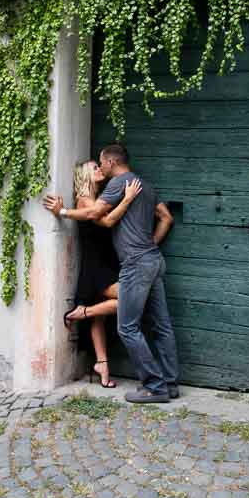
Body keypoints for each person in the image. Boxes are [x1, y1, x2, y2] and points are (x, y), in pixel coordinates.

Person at [44, 143, 179, 404]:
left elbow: (96, 213)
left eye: (102, 163)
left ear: (111, 163)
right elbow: (167, 218)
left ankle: (155, 386)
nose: (101, 167)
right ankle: (170, 384)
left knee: (127, 327)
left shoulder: (118, 183)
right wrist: (150, 243)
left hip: (136, 265)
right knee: (162, 326)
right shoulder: (147, 186)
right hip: (153, 261)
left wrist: (60, 211)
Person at [46, 159, 142, 388]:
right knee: (126, 299)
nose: (99, 170)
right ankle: (81, 312)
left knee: (101, 317)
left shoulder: (97, 198)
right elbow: (106, 221)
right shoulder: (84, 200)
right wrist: (128, 199)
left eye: (99, 166)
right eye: (94, 168)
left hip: (104, 260)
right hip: (97, 264)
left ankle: (102, 365)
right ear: (84, 176)